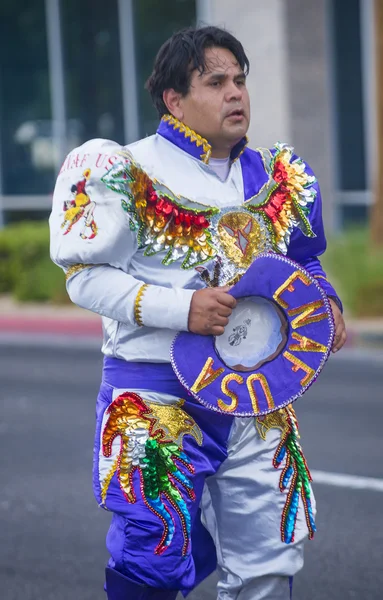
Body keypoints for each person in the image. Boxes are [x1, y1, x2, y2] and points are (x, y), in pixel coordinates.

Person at [49, 26, 346, 600]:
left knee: (269, 558)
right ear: (174, 100)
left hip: (257, 397)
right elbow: (84, 278)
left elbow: (304, 260)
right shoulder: (125, 169)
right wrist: (182, 308)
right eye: (216, 82)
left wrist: (325, 302)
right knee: (151, 558)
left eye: (240, 80)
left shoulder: (274, 176)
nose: (236, 93)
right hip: (155, 398)